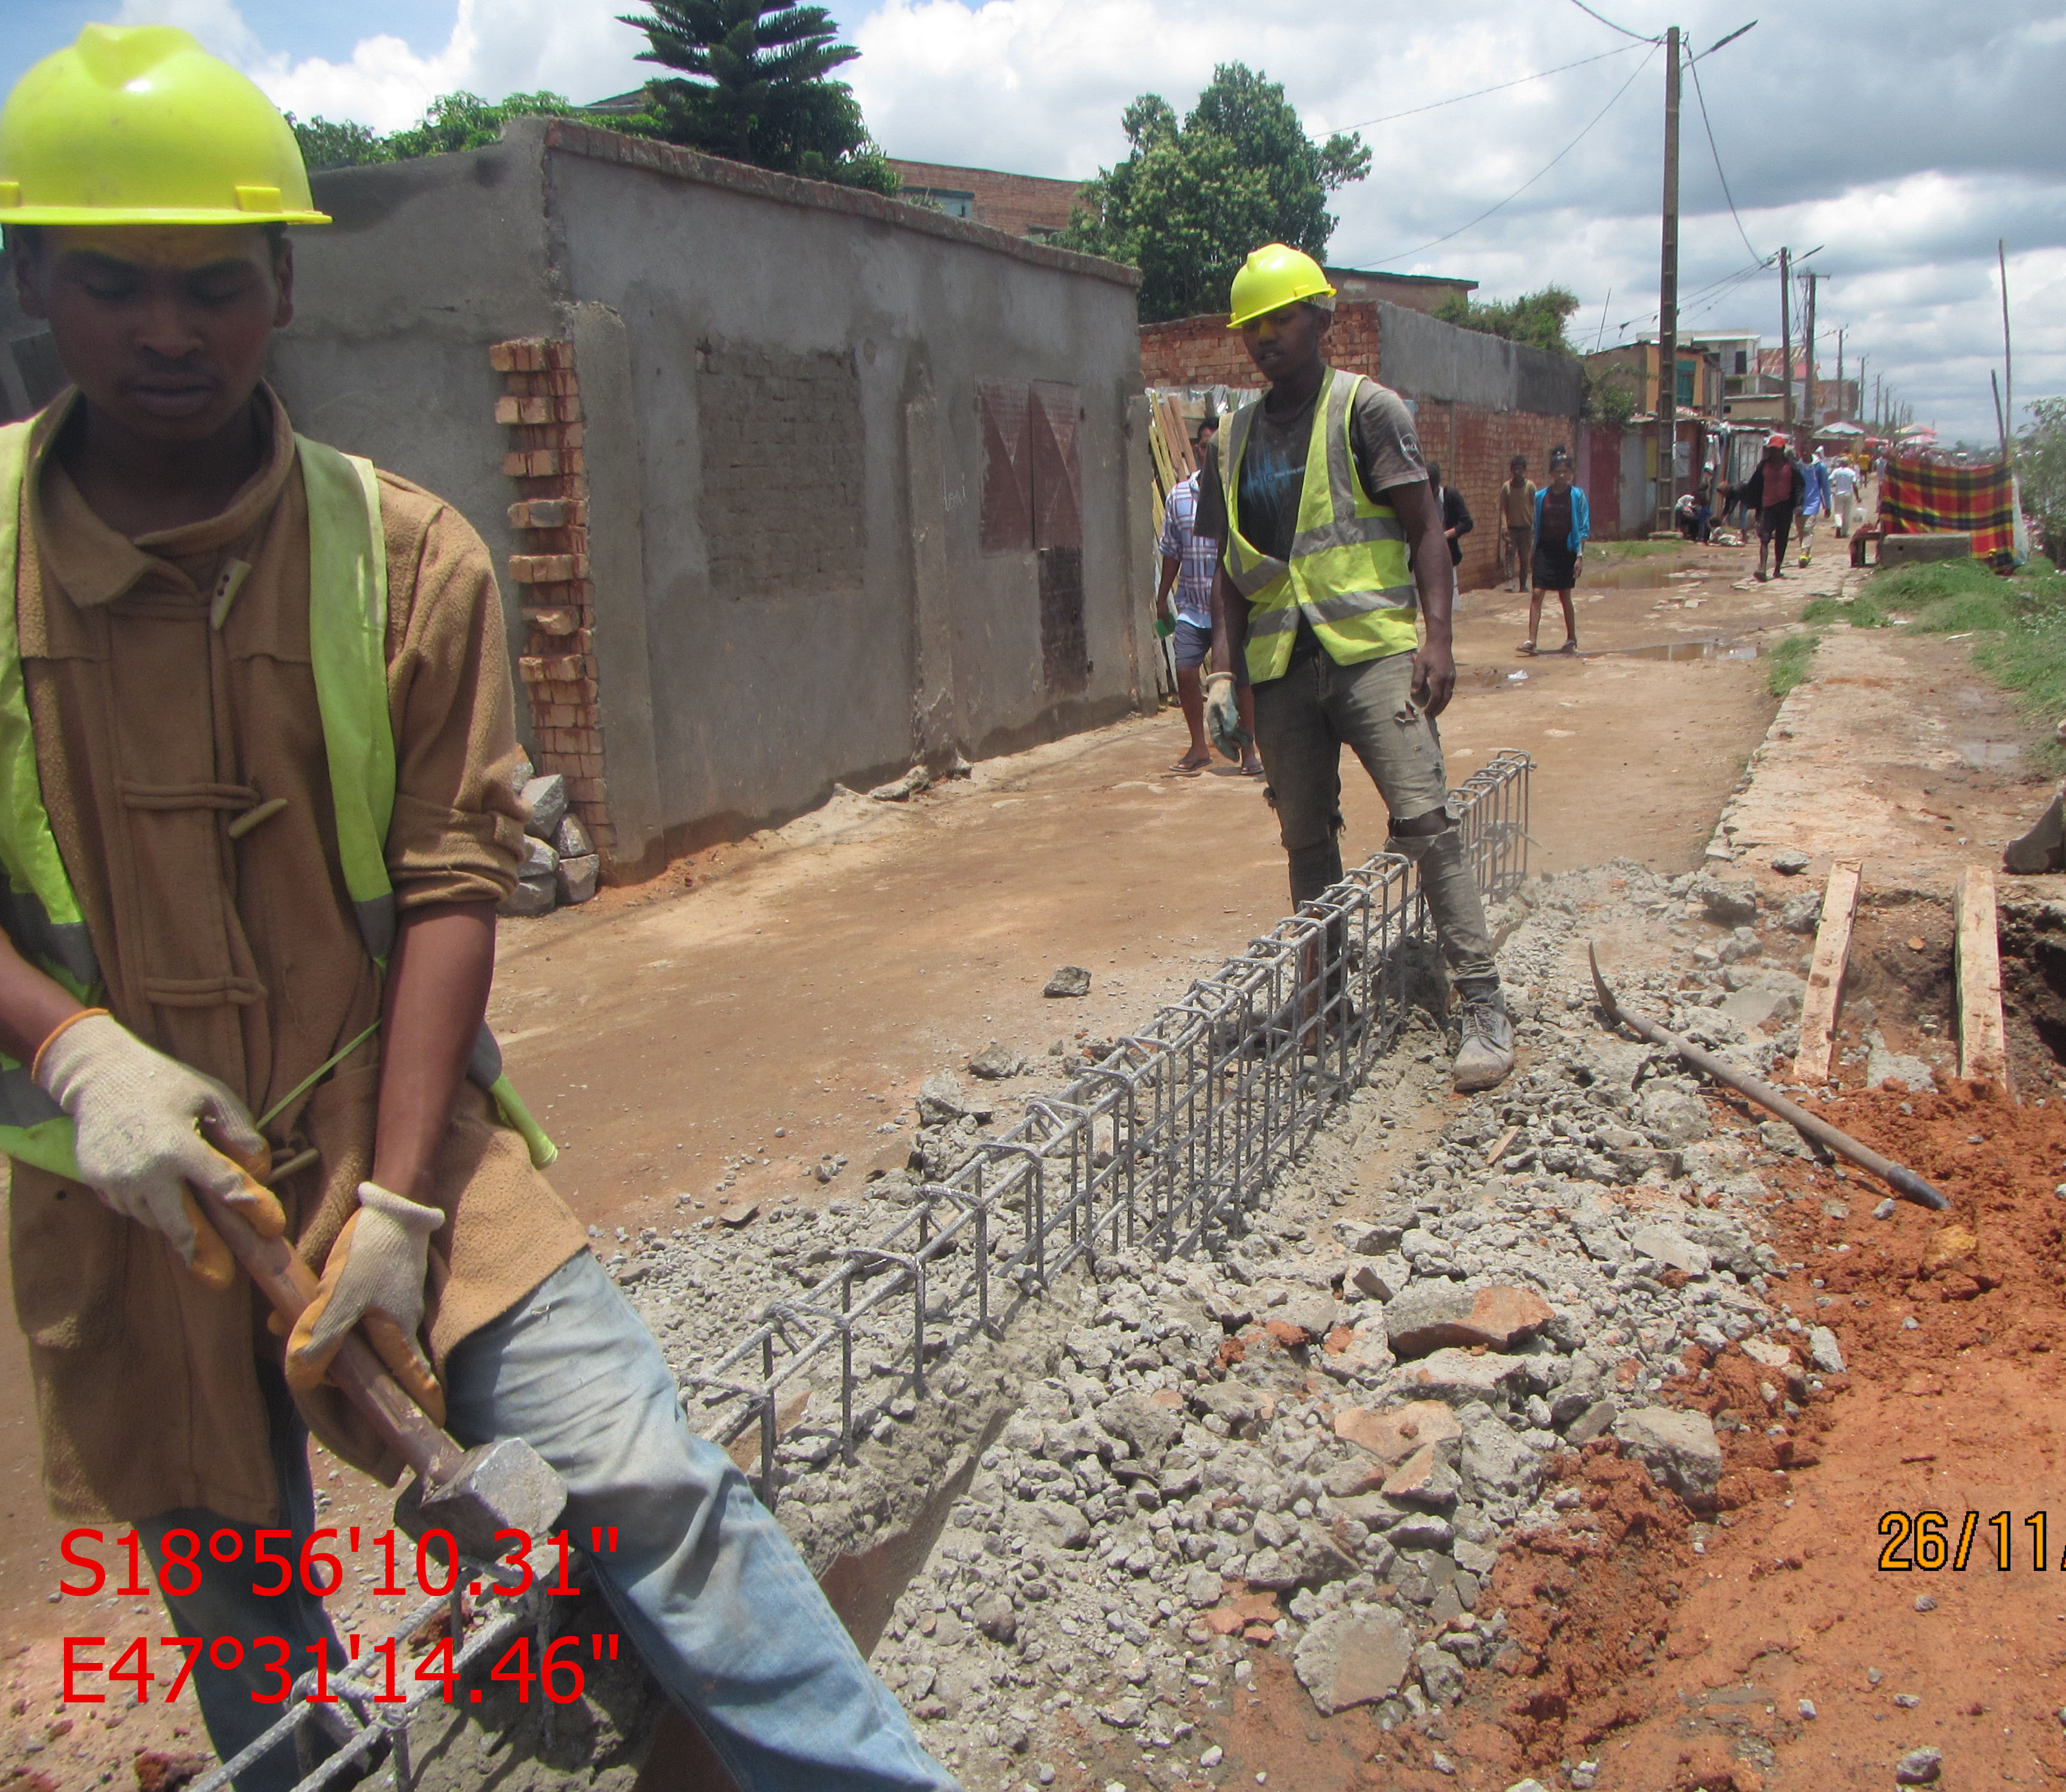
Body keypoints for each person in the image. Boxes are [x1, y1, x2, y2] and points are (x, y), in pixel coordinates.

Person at [0, 28, 953, 1792]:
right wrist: (73, 1061)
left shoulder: (405, 554)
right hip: (129, 1203)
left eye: (212, 283)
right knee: (244, 1612)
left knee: (652, 1484)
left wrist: (399, 1197)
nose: (166, 327)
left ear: (280, 284)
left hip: (405, 1134)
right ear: (33, 278)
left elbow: (452, 878)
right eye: (113, 282)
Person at [1194, 243, 1512, 1095]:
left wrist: (1437, 639)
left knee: (1423, 822)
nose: (1267, 340)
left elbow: (1425, 531)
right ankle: (1327, 1001)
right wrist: (1225, 676)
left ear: (1322, 319)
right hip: (1284, 667)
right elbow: (1231, 571)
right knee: (1306, 840)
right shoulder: (1231, 438)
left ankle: (1482, 1004)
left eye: (1282, 321)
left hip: (1372, 655)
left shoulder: (1368, 412)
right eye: (1253, 329)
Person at [1156, 461, 1259, 775]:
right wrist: (1162, 598)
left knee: (1241, 681)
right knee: (1186, 671)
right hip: (1192, 607)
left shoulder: (1238, 495)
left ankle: (1250, 751)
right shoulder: (1179, 497)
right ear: (1201, 450)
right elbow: (1172, 551)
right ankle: (1199, 747)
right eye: (1205, 446)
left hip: (1230, 609)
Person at [1524, 452, 1589, 655]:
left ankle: (1571, 638)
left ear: (1571, 473)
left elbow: (1583, 528)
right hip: (1545, 549)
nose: (1562, 475)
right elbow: (1537, 526)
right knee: (1537, 593)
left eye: (1565, 471)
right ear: (1551, 473)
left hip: (1566, 550)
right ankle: (1531, 641)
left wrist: (1580, 556)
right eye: (1558, 471)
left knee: (1564, 595)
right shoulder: (1541, 497)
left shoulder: (1577, 496)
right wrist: (1533, 552)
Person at [1739, 434, 1798, 580]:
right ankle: (1763, 567)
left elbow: (1799, 486)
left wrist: (1799, 504)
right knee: (1764, 537)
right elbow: (1755, 486)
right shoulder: (1763, 467)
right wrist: (1753, 504)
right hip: (1768, 507)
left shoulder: (1790, 467)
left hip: (1785, 507)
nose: (1774, 452)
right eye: (1771, 449)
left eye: (1777, 449)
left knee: (1782, 538)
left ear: (1783, 450)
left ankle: (1778, 568)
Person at [1426, 459, 1473, 571]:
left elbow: (1467, 523)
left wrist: (1445, 535)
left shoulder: (1450, 497)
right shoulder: (1418, 501)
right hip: (1425, 556)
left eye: (1431, 489)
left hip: (1447, 556)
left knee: (1448, 587)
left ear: (1437, 485)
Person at [1498, 453, 1535, 592]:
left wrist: (1535, 527)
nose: (1517, 472)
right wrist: (1504, 527)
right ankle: (1510, 582)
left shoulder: (1530, 487)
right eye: (1515, 469)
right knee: (1509, 556)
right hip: (1512, 528)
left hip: (1526, 527)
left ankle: (1523, 584)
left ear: (1524, 470)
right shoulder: (1506, 487)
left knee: (1525, 558)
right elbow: (1503, 509)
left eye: (1520, 469)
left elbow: (1535, 507)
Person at [1796, 444, 1828, 567]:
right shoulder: (1798, 467)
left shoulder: (1820, 467)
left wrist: (1827, 505)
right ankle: (1806, 552)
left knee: (1808, 528)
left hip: (1813, 502)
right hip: (1799, 504)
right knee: (1800, 530)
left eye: (1806, 449)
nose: (1804, 452)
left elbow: (1825, 486)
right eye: (1802, 450)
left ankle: (1804, 553)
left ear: (1811, 450)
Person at [1829, 455, 1860, 538]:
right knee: (1847, 514)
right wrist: (1857, 497)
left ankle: (1839, 525)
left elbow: (1829, 480)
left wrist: (1829, 489)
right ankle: (1845, 533)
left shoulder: (1837, 471)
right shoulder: (1852, 472)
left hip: (1838, 493)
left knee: (1838, 512)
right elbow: (1854, 485)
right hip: (1848, 494)